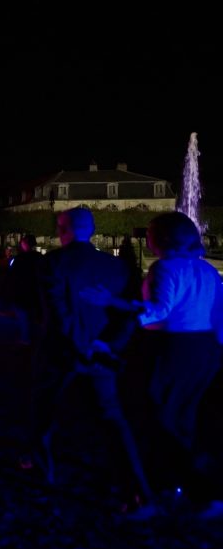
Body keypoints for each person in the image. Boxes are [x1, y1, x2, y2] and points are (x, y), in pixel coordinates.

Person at [84, 212, 223, 518]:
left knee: (157, 420)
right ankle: (202, 490)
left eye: (149, 232)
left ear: (160, 238)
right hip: (205, 351)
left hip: (172, 350)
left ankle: (159, 490)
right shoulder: (207, 270)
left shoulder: (164, 268)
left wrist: (112, 303)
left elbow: (158, 311)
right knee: (190, 420)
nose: (145, 237)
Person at [25, 208, 152, 509]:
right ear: (92, 230)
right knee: (112, 418)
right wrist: (107, 344)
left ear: (62, 229)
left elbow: (56, 310)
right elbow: (129, 312)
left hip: (61, 349)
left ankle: (45, 470)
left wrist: (77, 342)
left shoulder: (51, 263)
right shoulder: (117, 266)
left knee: (44, 410)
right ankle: (134, 486)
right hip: (100, 351)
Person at [3, 234, 44, 346]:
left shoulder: (19, 259)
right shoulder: (39, 257)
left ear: (25, 244)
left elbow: (12, 275)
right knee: (33, 315)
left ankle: (25, 338)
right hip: (35, 290)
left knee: (23, 315)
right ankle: (36, 337)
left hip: (22, 290)